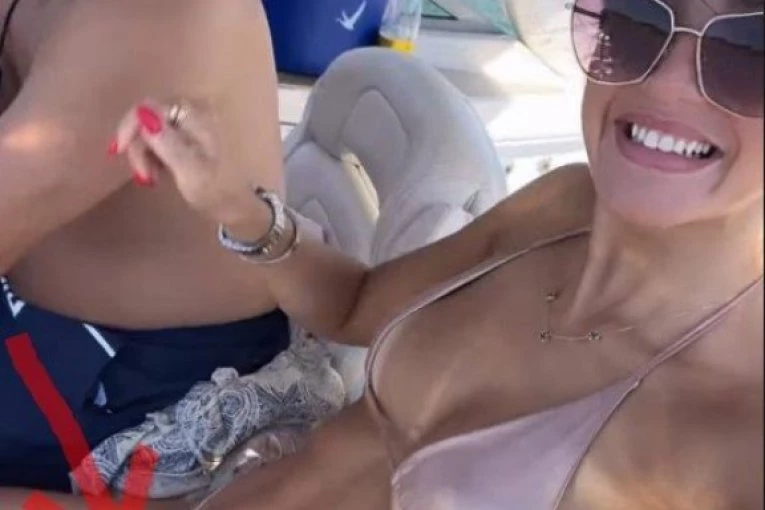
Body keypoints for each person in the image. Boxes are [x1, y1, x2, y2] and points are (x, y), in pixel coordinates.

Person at [111, 0, 764, 508]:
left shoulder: (737, 443)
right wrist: (236, 205)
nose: (665, 83)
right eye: (636, 21)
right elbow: (353, 306)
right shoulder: (562, 208)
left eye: (751, 50)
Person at [0, 0, 584, 505]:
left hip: (129, 404)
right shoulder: (567, 202)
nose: (635, 82)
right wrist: (246, 214)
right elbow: (353, 308)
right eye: (610, 31)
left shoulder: (160, 20)